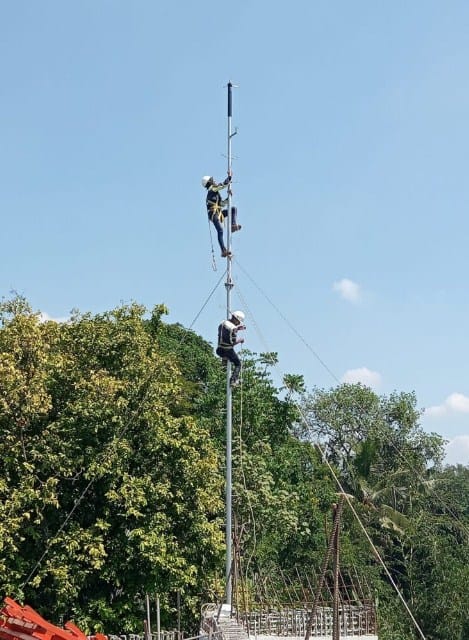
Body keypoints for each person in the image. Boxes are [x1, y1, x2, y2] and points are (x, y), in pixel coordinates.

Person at [202, 173, 241, 257]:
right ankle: (223, 250)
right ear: (210, 182)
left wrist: (228, 197)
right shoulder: (212, 189)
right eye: (213, 180)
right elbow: (222, 185)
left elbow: (221, 204)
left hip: (218, 212)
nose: (214, 181)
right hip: (214, 214)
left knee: (233, 209)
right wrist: (229, 177)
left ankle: (233, 225)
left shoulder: (215, 193)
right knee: (220, 230)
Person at [216, 310, 246, 386]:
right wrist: (240, 341)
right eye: (238, 321)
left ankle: (224, 360)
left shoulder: (223, 323)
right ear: (235, 319)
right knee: (238, 364)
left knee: (226, 355)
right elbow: (231, 343)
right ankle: (233, 380)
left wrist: (238, 328)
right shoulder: (233, 329)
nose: (238, 323)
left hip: (219, 350)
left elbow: (226, 331)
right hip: (227, 350)